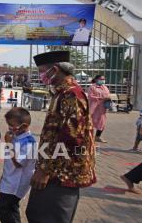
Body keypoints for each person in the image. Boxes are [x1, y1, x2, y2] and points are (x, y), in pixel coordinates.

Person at [26, 51, 96, 223]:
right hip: (54, 168)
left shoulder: (72, 94)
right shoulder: (61, 93)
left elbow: (71, 138)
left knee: (50, 217)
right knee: (36, 213)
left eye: (42, 71)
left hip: (62, 172)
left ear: (55, 70)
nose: (40, 76)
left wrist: (45, 169)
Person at [0, 107, 36, 223]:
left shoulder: (28, 142)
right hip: (10, 180)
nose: (10, 129)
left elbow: (18, 162)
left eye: (12, 126)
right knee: (11, 208)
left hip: (16, 184)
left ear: (24, 126)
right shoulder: (17, 136)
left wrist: (8, 143)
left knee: (0, 206)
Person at [87, 75, 111, 143]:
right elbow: (90, 96)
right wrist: (101, 98)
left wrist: (108, 98)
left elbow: (108, 94)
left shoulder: (105, 87)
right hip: (94, 108)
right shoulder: (92, 87)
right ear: (97, 79)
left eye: (103, 79)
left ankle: (97, 137)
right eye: (101, 79)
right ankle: (88, 137)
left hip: (102, 108)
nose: (103, 80)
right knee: (90, 122)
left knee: (102, 123)